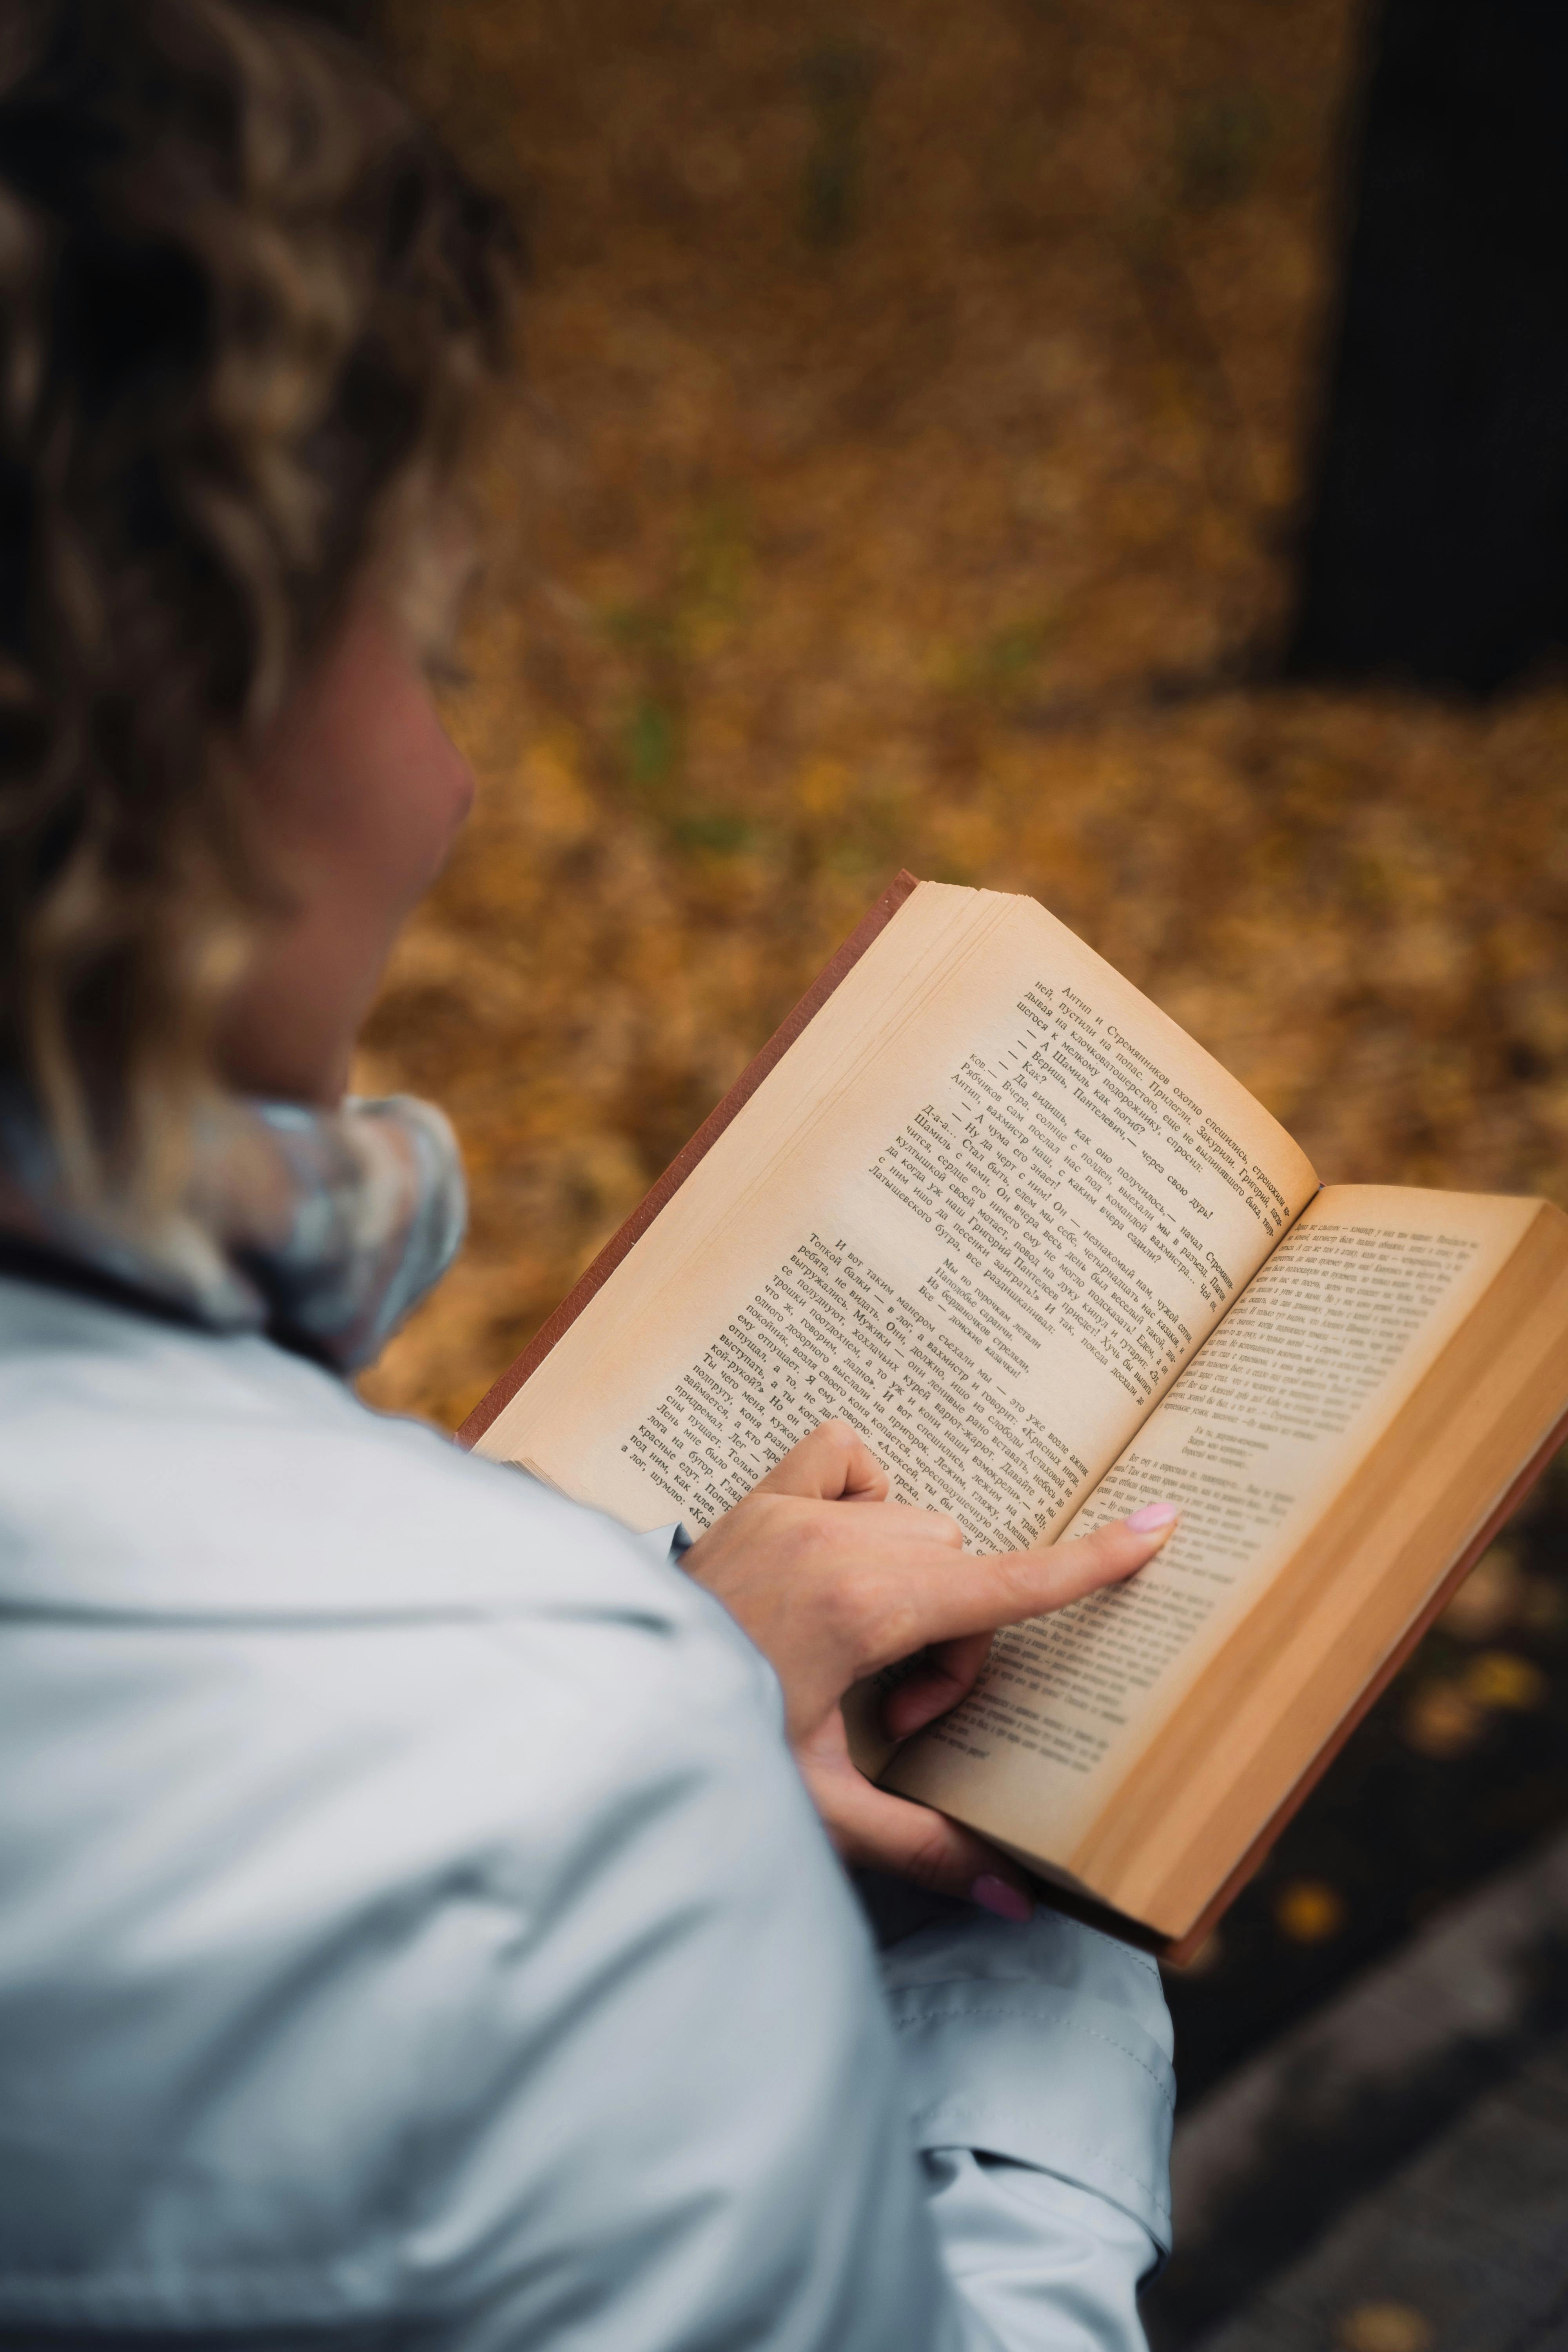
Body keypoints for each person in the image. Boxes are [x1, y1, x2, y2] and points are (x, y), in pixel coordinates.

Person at [0, 5, 1180, 2345]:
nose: (446, 793)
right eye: (411, 656)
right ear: (202, 722)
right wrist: (1034, 1985)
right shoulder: (552, 1800)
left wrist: (659, 1676)